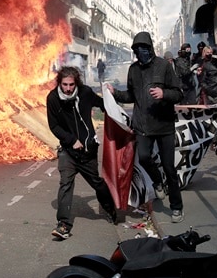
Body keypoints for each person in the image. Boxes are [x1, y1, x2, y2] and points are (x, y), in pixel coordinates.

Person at [106, 32, 185, 223]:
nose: (141, 52)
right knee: (144, 157)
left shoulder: (164, 66)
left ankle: (176, 207)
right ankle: (158, 182)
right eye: (137, 49)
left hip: (164, 125)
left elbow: (179, 93)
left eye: (144, 48)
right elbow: (131, 96)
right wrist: (114, 93)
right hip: (142, 125)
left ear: (150, 48)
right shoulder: (133, 70)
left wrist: (163, 93)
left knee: (169, 168)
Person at [46, 66, 117, 240]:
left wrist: (111, 95)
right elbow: (54, 126)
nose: (68, 88)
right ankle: (63, 225)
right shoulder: (53, 98)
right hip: (68, 151)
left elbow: (103, 105)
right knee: (66, 184)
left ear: (76, 82)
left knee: (97, 183)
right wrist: (71, 140)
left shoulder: (85, 93)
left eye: (71, 84)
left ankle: (109, 208)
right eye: (64, 85)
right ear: (59, 83)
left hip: (88, 150)